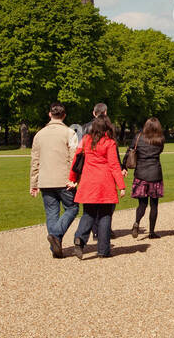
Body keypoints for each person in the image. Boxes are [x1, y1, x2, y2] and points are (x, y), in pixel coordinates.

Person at [70, 113, 125, 259]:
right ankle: (103, 250)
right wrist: (121, 185)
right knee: (105, 216)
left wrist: (72, 178)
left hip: (88, 181)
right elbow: (114, 165)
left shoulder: (86, 140)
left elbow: (77, 160)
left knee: (88, 213)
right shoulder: (109, 143)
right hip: (104, 182)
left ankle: (80, 239)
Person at [29, 103, 79, 258]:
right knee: (72, 208)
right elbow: (74, 158)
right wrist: (75, 178)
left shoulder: (39, 135)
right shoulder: (69, 133)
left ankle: (55, 249)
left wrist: (33, 184)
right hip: (64, 180)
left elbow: (35, 161)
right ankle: (56, 236)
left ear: (49, 114)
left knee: (52, 213)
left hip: (45, 180)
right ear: (64, 116)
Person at [127, 117, 165, 239]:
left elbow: (130, 151)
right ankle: (152, 232)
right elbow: (159, 152)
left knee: (142, 204)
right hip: (155, 173)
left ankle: (137, 222)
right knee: (154, 205)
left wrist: (124, 165)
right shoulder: (160, 139)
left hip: (141, 174)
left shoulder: (139, 137)